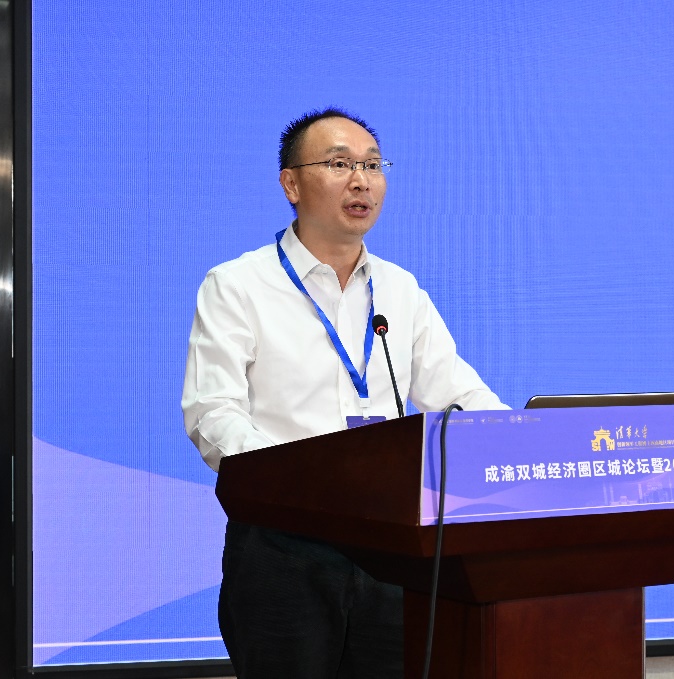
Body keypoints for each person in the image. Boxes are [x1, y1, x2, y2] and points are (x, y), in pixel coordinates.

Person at [182, 107, 508, 679]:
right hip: (284, 548)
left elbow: (457, 393)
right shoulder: (237, 285)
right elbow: (213, 411)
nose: (361, 181)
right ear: (291, 184)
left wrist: (524, 441)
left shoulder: (400, 289)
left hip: (393, 545)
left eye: (373, 166)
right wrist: (298, 480)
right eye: (339, 164)